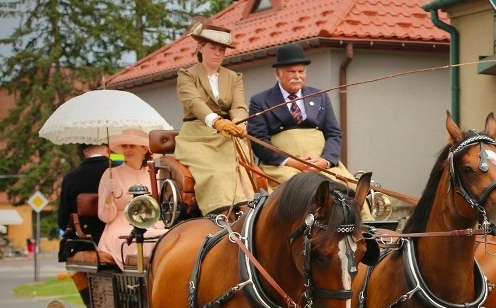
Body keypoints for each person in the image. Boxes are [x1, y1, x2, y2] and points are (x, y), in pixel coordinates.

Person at [248, 43, 362, 193]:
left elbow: (334, 133)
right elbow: (259, 141)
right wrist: (293, 162)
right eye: (291, 72)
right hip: (282, 167)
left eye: (301, 71)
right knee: (300, 192)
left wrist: (325, 161)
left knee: (353, 190)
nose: (297, 76)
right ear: (278, 74)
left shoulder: (320, 97)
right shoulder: (261, 101)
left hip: (321, 164)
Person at [173, 21, 251, 218]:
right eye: (213, 48)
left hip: (227, 135)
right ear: (200, 47)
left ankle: (247, 214)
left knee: (239, 170)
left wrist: (239, 123)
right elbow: (193, 101)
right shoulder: (187, 75)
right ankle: (220, 215)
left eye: (222, 50)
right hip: (196, 137)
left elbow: (239, 106)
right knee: (216, 172)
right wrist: (215, 121)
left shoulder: (234, 77)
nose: (218, 53)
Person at [97, 128, 166, 271]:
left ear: (145, 148)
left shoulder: (154, 173)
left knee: (167, 236)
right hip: (120, 227)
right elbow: (105, 217)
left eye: (132, 145)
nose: (127, 150)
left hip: (152, 224)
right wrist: (108, 195)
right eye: (124, 146)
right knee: (149, 238)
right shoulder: (111, 174)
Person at [56, 143, 110, 308]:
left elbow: (63, 220)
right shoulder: (116, 171)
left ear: (85, 152)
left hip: (87, 241)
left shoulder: (71, 178)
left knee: (76, 267)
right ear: (107, 149)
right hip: (122, 238)